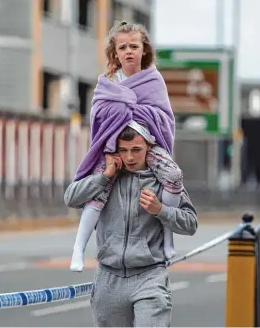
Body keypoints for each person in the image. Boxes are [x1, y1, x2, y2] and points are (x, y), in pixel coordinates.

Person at [70, 20, 184, 272]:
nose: (129, 51)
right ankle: (78, 248)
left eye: (134, 45)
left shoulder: (154, 80)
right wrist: (123, 110)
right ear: (115, 52)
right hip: (112, 144)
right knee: (100, 187)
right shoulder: (107, 83)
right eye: (123, 47)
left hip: (147, 145)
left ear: (144, 50)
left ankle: (167, 235)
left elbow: (163, 117)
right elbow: (98, 114)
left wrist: (127, 107)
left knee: (173, 175)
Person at [64, 123, 198, 327]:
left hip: (150, 276)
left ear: (149, 148)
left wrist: (160, 209)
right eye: (123, 150)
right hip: (109, 279)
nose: (129, 157)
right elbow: (71, 199)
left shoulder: (164, 180)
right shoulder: (105, 176)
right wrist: (103, 177)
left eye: (136, 150)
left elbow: (190, 223)